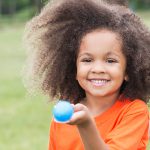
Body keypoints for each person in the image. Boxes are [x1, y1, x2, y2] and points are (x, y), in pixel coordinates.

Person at [24, 0, 150, 149]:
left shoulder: (135, 112)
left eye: (110, 61)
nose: (98, 69)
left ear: (128, 71)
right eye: (87, 60)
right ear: (73, 69)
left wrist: (85, 125)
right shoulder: (65, 115)